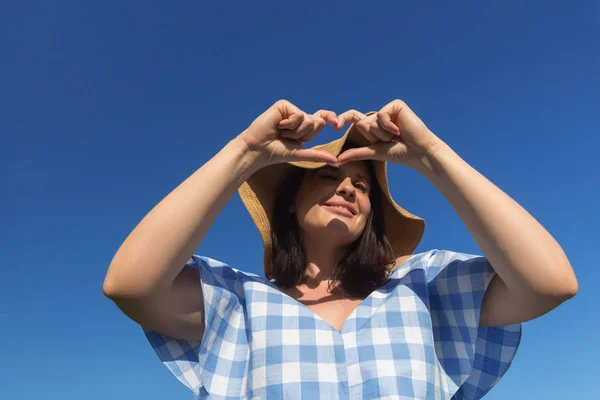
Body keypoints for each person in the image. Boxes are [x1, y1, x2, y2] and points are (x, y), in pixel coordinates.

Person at [103, 99, 578, 399]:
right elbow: (130, 286)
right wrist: (246, 154)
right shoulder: (239, 302)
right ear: (289, 205)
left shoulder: (423, 286)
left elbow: (550, 283)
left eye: (362, 185)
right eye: (328, 177)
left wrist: (430, 156)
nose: (348, 189)